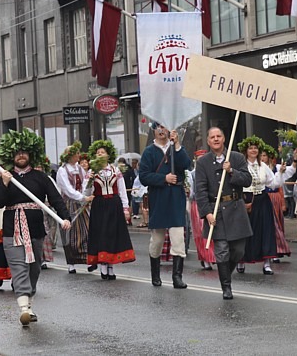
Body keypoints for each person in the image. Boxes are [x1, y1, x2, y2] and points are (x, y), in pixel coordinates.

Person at [0, 129, 72, 325]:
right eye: (17, 153)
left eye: (24, 152)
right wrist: (3, 183)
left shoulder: (41, 177)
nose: (21, 155)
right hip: (12, 229)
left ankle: (29, 302)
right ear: (11, 156)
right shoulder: (6, 176)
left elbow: (55, 199)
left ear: (30, 155)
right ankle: (23, 309)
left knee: (34, 267)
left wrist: (65, 217)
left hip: (35, 228)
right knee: (18, 267)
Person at [195, 127, 253, 300]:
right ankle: (226, 287)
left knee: (238, 251)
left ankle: (226, 272)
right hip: (216, 210)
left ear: (224, 138)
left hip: (236, 207)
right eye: (212, 137)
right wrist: (207, 213)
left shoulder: (236, 157)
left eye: (218, 136)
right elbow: (201, 190)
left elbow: (247, 180)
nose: (216, 139)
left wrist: (232, 171)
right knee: (221, 251)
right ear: (208, 141)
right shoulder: (203, 162)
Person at [139, 122, 191, 289]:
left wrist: (177, 145)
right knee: (157, 240)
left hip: (175, 198)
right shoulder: (148, 152)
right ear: (154, 130)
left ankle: (177, 277)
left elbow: (186, 164)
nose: (161, 130)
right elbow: (144, 177)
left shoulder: (176, 149)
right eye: (158, 127)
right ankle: (155, 274)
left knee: (178, 239)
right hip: (159, 199)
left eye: (164, 127)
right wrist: (163, 179)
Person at [85, 140, 136, 280]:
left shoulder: (116, 170)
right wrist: (88, 180)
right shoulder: (92, 171)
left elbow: (122, 191)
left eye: (103, 152)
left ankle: (111, 266)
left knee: (112, 234)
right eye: (98, 153)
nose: (100, 154)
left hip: (114, 204)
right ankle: (103, 266)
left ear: (108, 155)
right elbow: (86, 192)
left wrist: (126, 208)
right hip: (99, 205)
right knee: (101, 234)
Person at [236, 136, 287, 275]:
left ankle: (266, 263)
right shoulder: (241, 166)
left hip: (262, 199)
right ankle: (241, 260)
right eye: (250, 148)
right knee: (246, 231)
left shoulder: (263, 166)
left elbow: (274, 183)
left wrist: (281, 172)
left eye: (255, 148)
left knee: (266, 230)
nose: (253, 150)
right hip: (246, 199)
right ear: (246, 151)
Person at [56, 141, 92, 274]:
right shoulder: (62, 170)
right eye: (76, 153)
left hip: (81, 203)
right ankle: (71, 262)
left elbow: (84, 183)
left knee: (87, 230)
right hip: (68, 204)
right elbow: (67, 189)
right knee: (69, 233)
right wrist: (82, 197)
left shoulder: (79, 168)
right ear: (70, 156)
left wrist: (85, 195)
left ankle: (88, 259)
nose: (79, 155)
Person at [188, 150, 216, 270]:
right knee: (200, 232)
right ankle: (205, 258)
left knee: (214, 230)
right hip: (198, 204)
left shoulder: (213, 171)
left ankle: (213, 256)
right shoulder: (192, 174)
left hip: (212, 203)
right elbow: (191, 193)